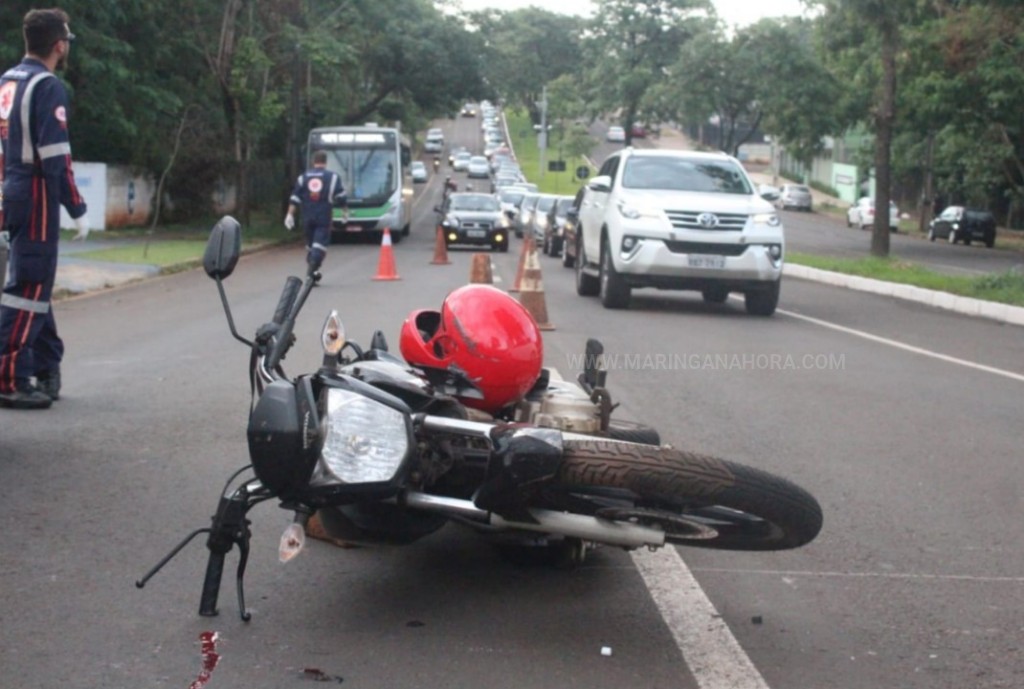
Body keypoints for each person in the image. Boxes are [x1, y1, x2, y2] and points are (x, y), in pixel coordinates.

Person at [0, 9, 88, 410]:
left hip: (10, 188)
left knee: (37, 283)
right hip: (35, 192)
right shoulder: (47, 85)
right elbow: (56, 156)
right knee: (28, 288)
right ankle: (10, 376)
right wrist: (76, 205)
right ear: (59, 44)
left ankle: (46, 365)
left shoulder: (8, 81)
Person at [284, 150, 346, 276]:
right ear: (325, 162)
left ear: (313, 162)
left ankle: (313, 268)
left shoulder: (303, 178)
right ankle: (312, 269)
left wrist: (289, 215)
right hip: (324, 216)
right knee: (319, 246)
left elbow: (295, 198)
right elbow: (341, 197)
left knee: (311, 245)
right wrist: (345, 213)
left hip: (307, 217)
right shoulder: (333, 178)